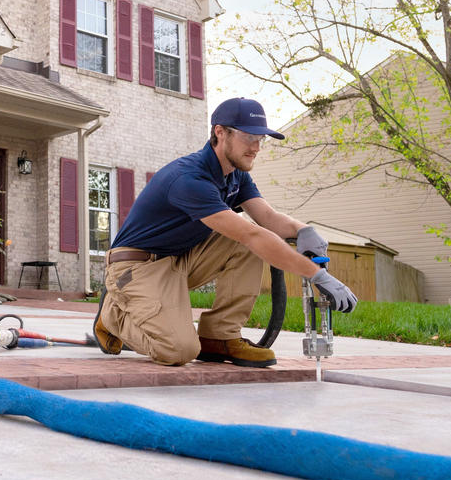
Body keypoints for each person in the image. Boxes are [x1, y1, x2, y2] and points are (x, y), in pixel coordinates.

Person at [93, 97, 358, 368]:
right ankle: (114, 317)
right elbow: (252, 235)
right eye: (248, 137)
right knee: (178, 350)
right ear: (220, 132)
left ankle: (220, 337)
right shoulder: (189, 178)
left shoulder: (235, 174)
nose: (256, 147)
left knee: (251, 242)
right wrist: (315, 274)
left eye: (260, 139)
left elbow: (268, 218)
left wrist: (303, 230)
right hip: (136, 268)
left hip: (180, 258)